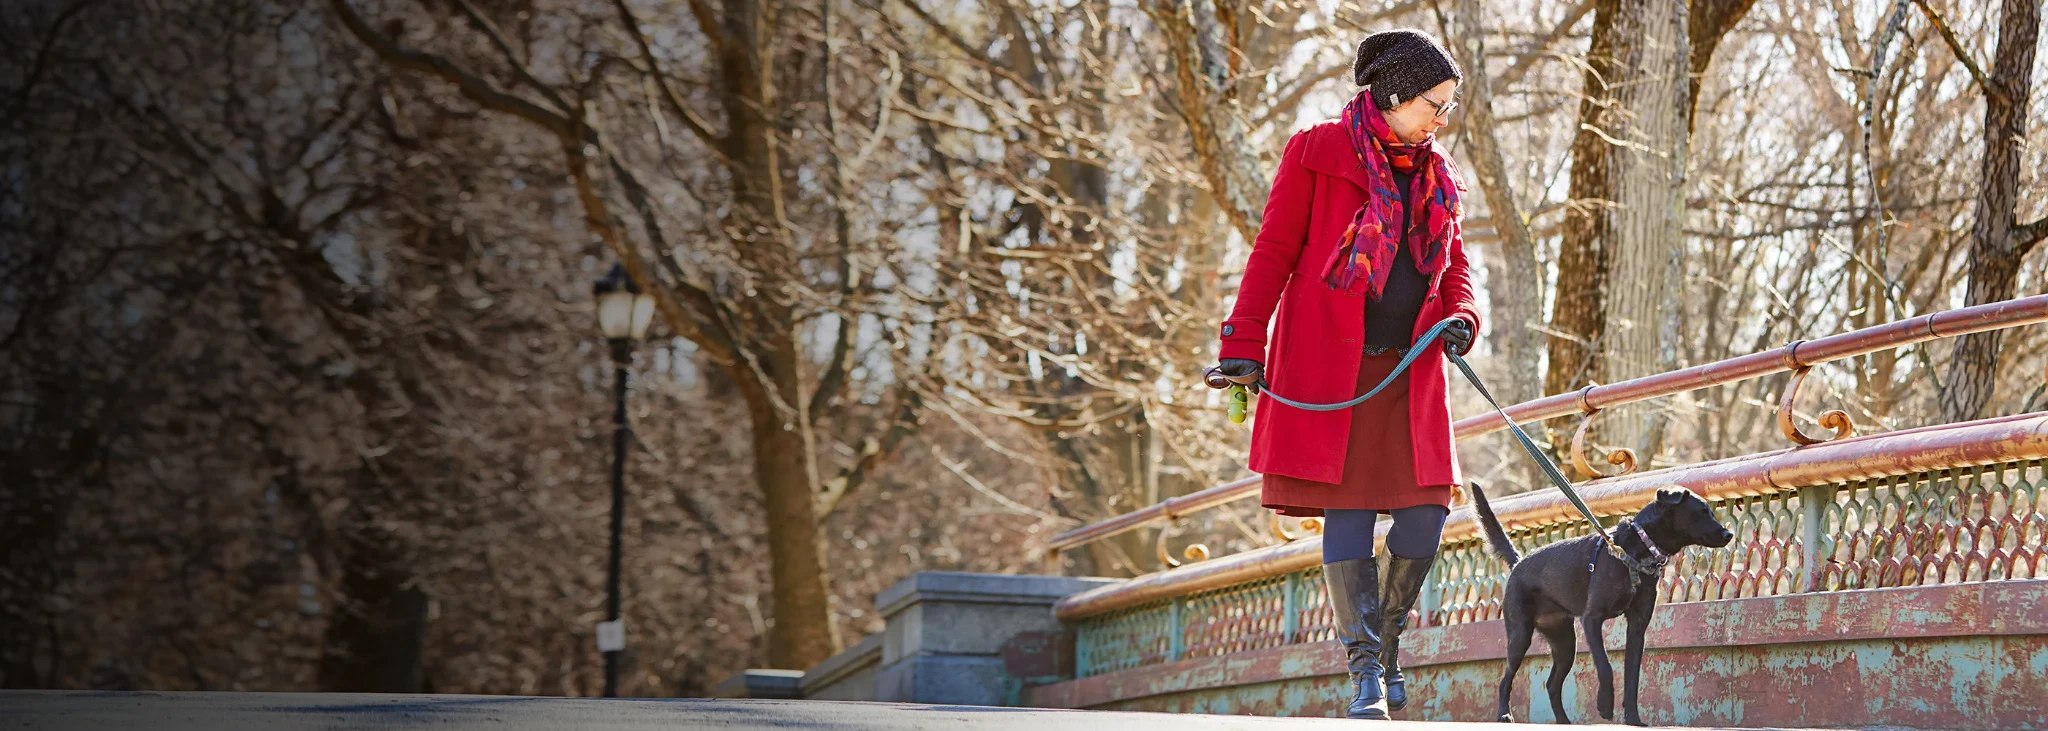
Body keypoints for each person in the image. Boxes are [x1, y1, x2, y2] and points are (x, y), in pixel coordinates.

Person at [1207, 28, 1480, 720]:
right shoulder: (1317, 152)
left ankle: (1385, 648)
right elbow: (1273, 249)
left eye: (1447, 107)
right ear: (1391, 96)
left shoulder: (1438, 174)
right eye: (1433, 104)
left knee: (1426, 514)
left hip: (1410, 374)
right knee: (1350, 512)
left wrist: (1463, 316)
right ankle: (1365, 671)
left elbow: (1454, 268)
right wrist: (1244, 340)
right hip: (1335, 371)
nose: (1440, 119)